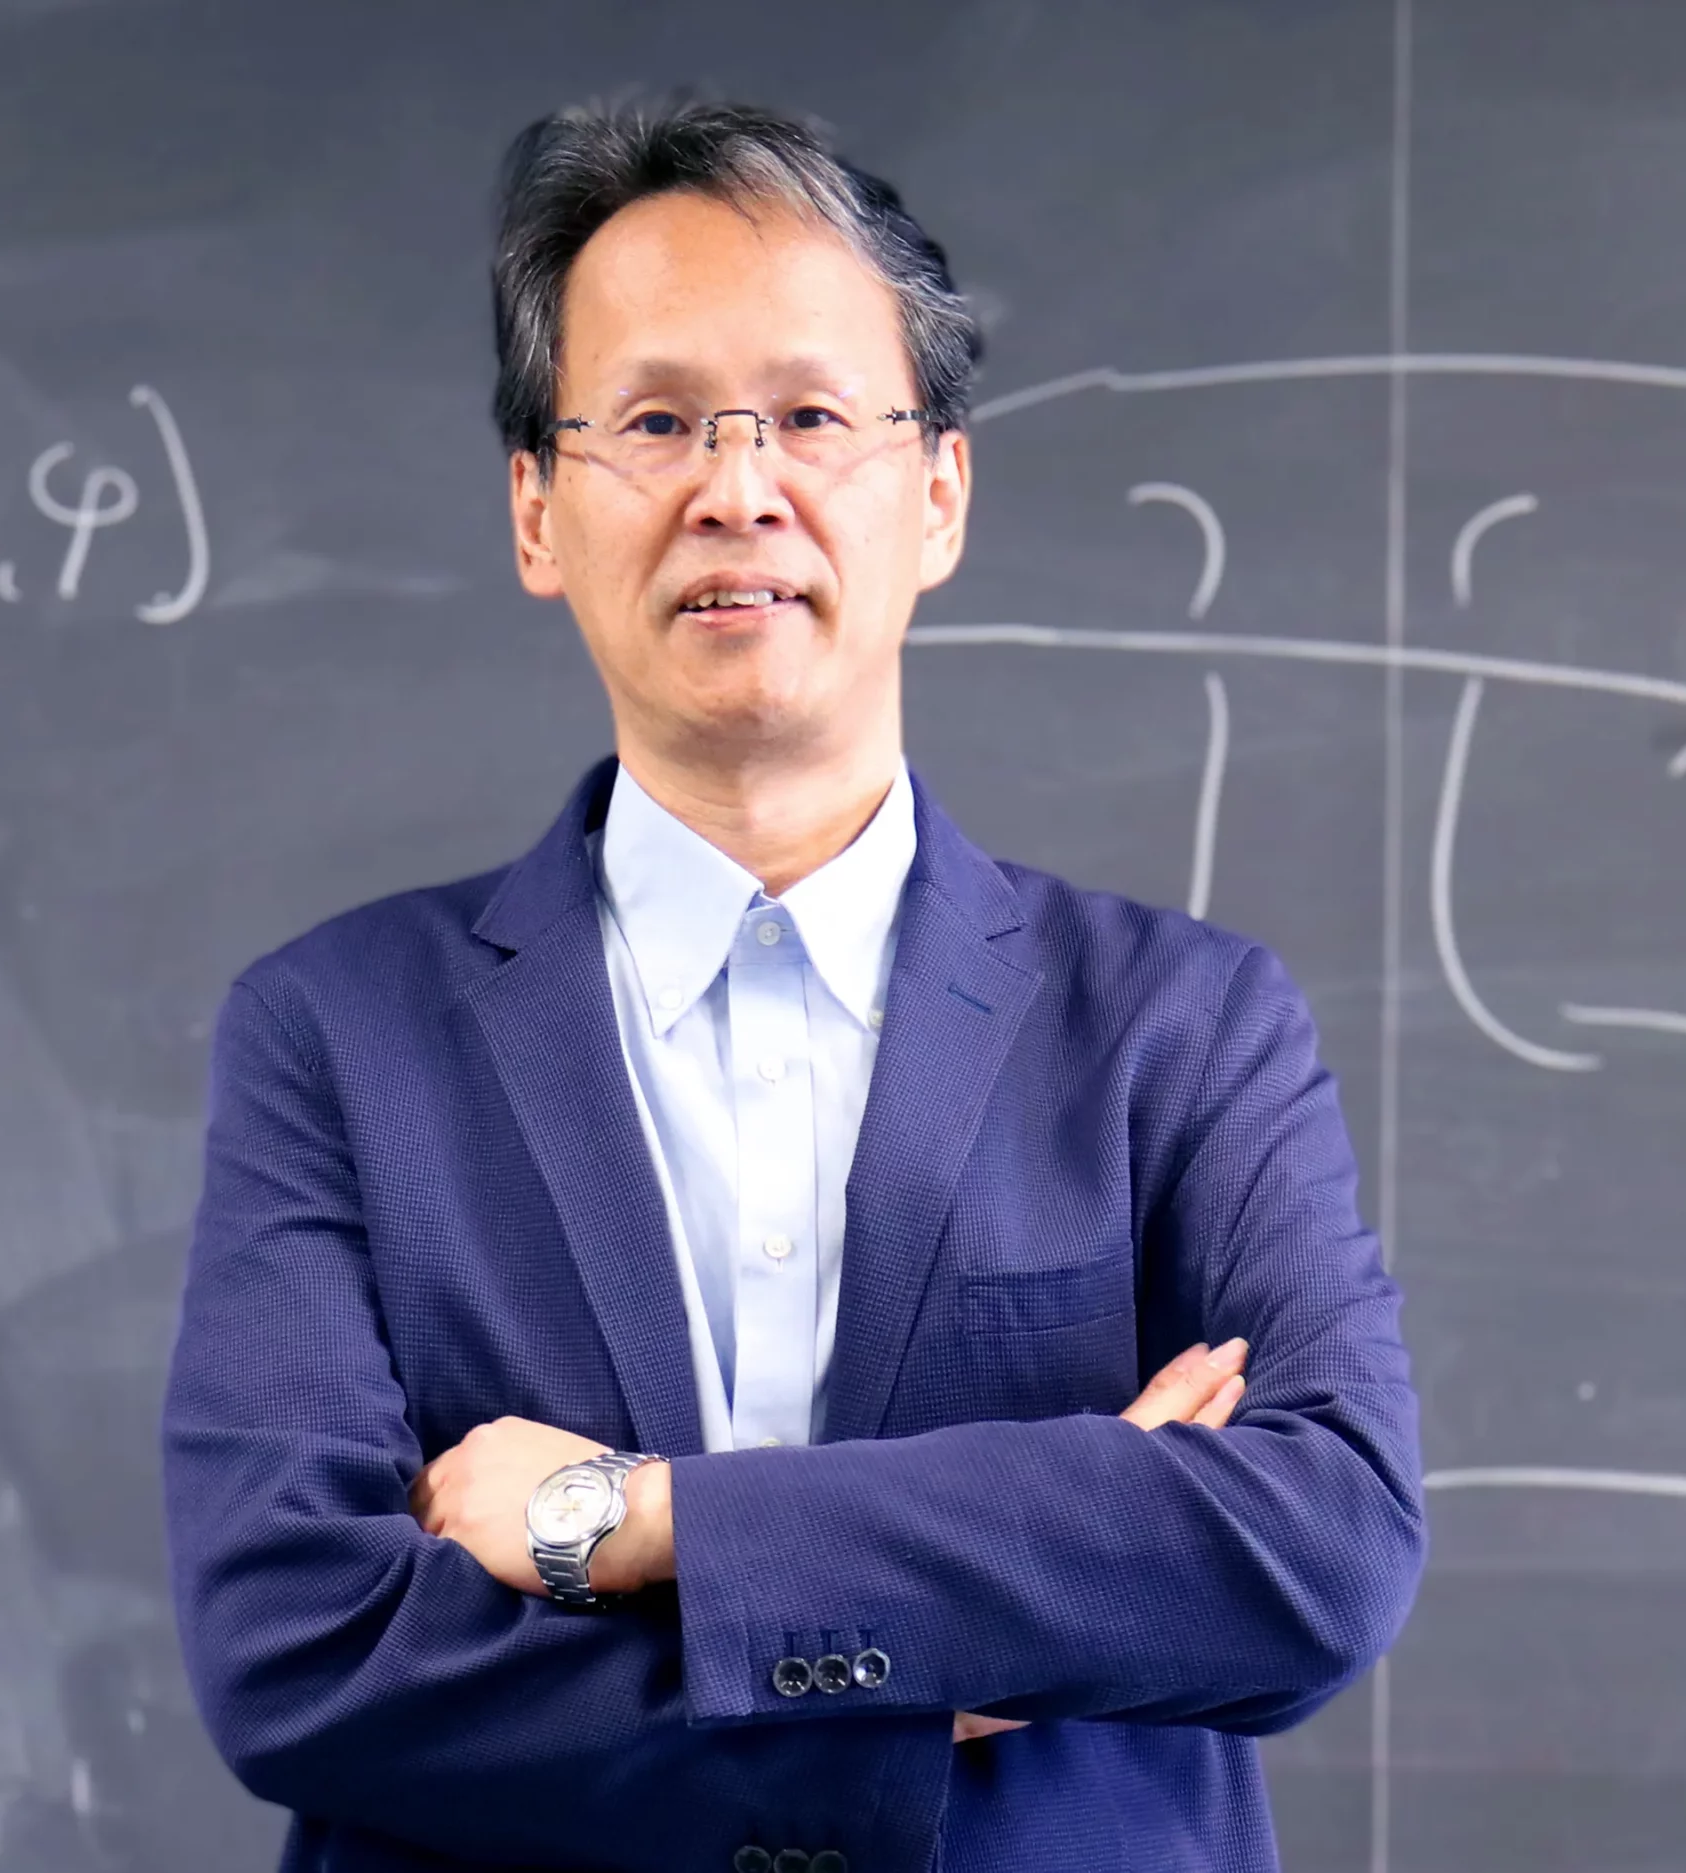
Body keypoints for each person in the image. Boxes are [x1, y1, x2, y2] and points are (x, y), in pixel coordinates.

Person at [162, 96, 1424, 1873]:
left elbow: (1321, 1549)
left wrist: (629, 1520)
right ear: (538, 510)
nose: (735, 486)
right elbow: (300, 1654)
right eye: (657, 420)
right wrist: (967, 1649)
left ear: (939, 493)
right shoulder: (337, 1037)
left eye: (814, 417)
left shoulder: (1184, 1026)